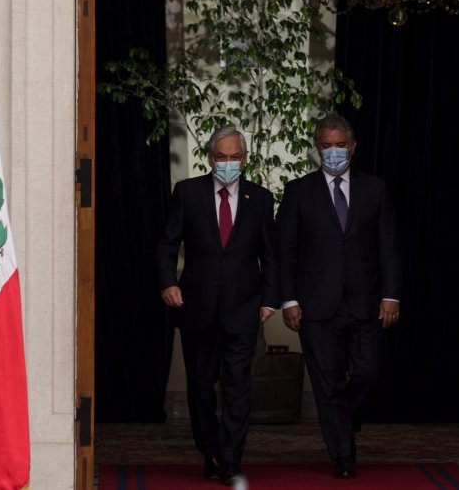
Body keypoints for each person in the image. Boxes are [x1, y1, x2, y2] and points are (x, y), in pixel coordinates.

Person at [277, 114, 403, 479]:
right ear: (318, 149)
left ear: (352, 147)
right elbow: (286, 250)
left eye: (339, 146)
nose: (333, 152)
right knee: (327, 382)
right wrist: (289, 300)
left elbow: (389, 247)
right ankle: (343, 456)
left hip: (366, 301)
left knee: (367, 371)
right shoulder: (298, 191)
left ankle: (343, 415)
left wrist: (391, 295)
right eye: (326, 146)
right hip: (316, 305)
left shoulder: (375, 189)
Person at [157, 126, 278, 486]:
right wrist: (167, 282)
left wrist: (271, 299)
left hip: (244, 307)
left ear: (245, 159)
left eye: (235, 157)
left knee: (239, 386)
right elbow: (166, 244)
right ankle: (209, 451)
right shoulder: (188, 193)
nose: (228, 163)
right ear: (210, 158)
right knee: (200, 385)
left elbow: (270, 255)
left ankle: (230, 459)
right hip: (197, 307)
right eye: (221, 157)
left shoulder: (261, 198)